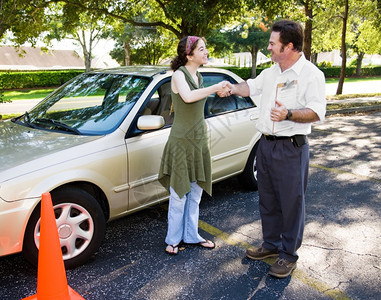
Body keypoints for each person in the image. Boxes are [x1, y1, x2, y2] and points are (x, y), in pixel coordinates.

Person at [219, 20, 326, 277]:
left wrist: (288, 114)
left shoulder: (312, 75)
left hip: (291, 149)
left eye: (272, 44)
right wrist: (233, 88)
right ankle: (271, 245)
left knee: (291, 203)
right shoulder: (273, 71)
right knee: (267, 200)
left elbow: (317, 112)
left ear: (288, 46)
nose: (268, 48)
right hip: (265, 146)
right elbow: (251, 86)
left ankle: (288, 255)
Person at [158, 36, 229, 255]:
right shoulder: (179, 75)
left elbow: (198, 97)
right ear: (189, 55)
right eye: (201, 49)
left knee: (195, 193)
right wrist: (215, 87)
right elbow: (188, 98)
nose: (206, 52)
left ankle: (190, 235)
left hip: (199, 140)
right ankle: (173, 239)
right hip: (181, 141)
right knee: (179, 193)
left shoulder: (198, 76)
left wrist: (221, 90)